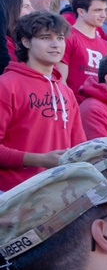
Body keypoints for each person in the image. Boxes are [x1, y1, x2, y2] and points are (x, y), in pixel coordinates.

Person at [0, 11, 86, 191]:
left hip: (57, 192)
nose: (56, 45)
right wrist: (39, 160)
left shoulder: (66, 91)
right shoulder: (7, 85)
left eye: (61, 38)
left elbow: (79, 146)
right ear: (26, 42)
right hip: (13, 192)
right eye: (46, 38)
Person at [57, 0, 107, 99]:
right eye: (97, 10)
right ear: (81, 11)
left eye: (104, 10)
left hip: (98, 110)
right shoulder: (67, 39)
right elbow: (60, 81)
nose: (104, 15)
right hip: (74, 108)